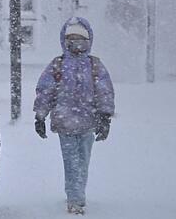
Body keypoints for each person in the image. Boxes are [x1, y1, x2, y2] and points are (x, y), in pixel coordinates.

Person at [33, 17, 115, 215]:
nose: (76, 43)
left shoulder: (94, 65)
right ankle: (75, 199)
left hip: (88, 122)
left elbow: (104, 91)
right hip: (65, 123)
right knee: (71, 161)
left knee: (83, 161)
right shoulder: (58, 65)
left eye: (81, 39)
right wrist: (40, 116)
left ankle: (78, 193)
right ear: (65, 40)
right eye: (72, 39)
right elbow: (46, 91)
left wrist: (105, 116)